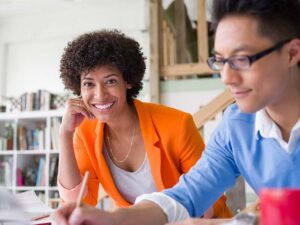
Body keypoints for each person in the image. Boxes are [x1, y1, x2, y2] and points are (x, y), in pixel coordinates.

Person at [52, 0, 300, 222]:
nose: (226, 77)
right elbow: (187, 195)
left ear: (291, 53)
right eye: (220, 61)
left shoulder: (178, 123)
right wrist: (112, 220)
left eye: (242, 59)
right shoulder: (236, 125)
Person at [56, 29, 231, 219]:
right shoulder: (85, 132)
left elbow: (209, 200)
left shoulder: (177, 125)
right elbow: (77, 204)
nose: (99, 95)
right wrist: (65, 134)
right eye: (89, 84)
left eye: (110, 81)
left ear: (128, 81)